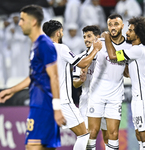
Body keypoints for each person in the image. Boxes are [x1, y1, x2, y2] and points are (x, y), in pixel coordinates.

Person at [0, 5, 66, 150]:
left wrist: (57, 108)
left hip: (44, 106)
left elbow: (54, 77)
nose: (19, 23)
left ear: (33, 22)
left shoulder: (44, 45)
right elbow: (35, 76)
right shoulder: (36, 45)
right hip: (38, 104)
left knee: (32, 146)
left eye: (22, 19)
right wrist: (12, 90)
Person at [42, 20, 102, 150]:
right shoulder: (61, 48)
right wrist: (95, 50)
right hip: (62, 101)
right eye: (62, 31)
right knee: (84, 134)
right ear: (58, 33)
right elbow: (82, 63)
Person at [104, 16, 145, 150]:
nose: (127, 32)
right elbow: (128, 73)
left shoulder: (138, 50)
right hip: (139, 96)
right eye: (128, 29)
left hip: (144, 96)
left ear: (138, 34)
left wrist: (106, 38)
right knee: (139, 134)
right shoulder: (136, 50)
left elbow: (112, 56)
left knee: (144, 135)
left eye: (131, 30)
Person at [86, 14, 132, 150]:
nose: (113, 27)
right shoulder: (98, 43)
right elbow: (88, 61)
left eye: (116, 24)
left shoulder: (129, 46)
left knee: (113, 133)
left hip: (115, 94)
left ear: (122, 26)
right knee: (93, 132)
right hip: (97, 93)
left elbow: (125, 70)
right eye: (110, 25)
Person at [72, 25, 109, 145]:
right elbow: (75, 83)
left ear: (97, 37)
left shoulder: (106, 56)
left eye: (89, 36)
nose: (86, 39)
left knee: (108, 135)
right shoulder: (80, 58)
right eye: (84, 37)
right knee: (86, 135)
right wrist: (81, 80)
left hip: (104, 99)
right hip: (87, 99)